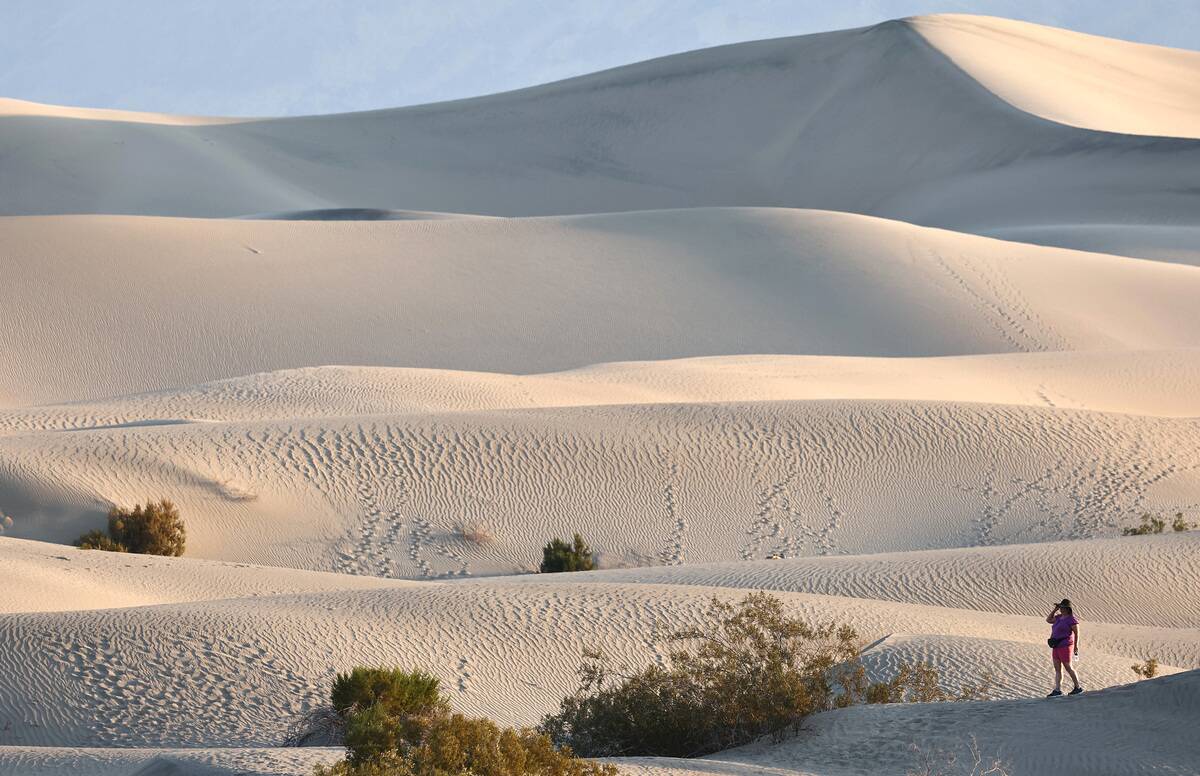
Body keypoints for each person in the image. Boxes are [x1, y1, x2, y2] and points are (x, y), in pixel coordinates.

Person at [1046, 598, 1082, 696]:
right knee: (1057, 668)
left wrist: (1076, 646)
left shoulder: (1072, 619)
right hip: (1056, 646)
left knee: (1068, 667)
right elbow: (1048, 620)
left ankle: (1078, 687)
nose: (1061, 609)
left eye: (1062, 607)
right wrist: (1055, 609)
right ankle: (1057, 690)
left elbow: (1077, 633)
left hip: (1065, 646)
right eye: (1060, 607)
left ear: (1068, 608)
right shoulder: (1058, 617)